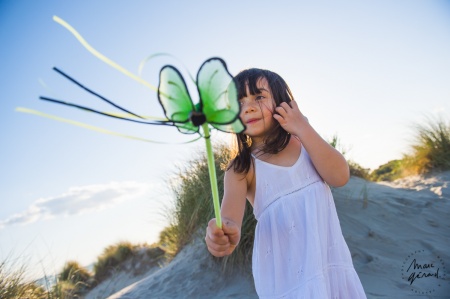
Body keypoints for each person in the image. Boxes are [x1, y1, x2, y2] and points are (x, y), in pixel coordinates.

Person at [205, 68, 367, 298]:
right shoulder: (241, 168)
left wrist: (303, 127)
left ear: (283, 103)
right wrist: (223, 235)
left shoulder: (304, 143)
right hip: (286, 278)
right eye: (238, 102)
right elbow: (231, 220)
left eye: (259, 97)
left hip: (329, 265)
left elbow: (339, 177)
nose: (248, 107)